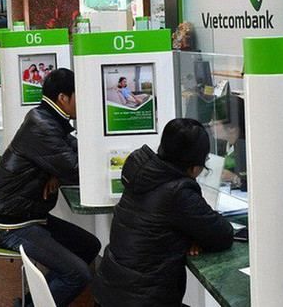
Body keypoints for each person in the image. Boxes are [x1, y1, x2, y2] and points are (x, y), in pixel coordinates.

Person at [0, 68, 101, 307]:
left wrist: (54, 171)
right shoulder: (43, 125)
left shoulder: (48, 118)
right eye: (79, 95)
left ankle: (31, 303)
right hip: (11, 224)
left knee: (89, 246)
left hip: (27, 214)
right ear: (63, 98)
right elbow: (75, 169)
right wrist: (59, 170)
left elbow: (73, 152)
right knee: (78, 274)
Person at [93, 118, 234, 307]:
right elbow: (223, 234)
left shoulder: (144, 172)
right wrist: (196, 234)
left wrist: (191, 233)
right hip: (141, 300)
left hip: (110, 290)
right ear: (195, 167)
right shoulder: (178, 192)